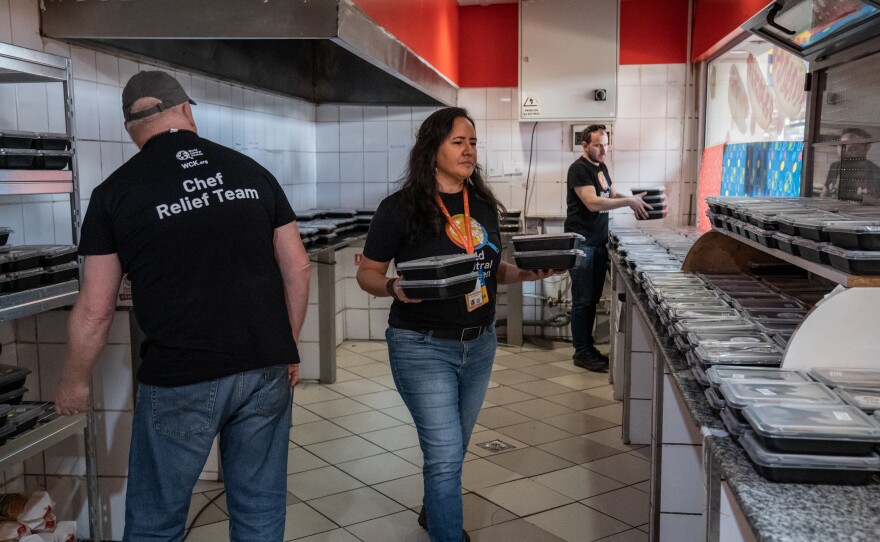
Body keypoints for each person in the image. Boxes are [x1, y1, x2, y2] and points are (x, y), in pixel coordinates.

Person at [53, 71, 310, 542]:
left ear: (131, 128)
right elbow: (297, 267)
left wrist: (74, 382)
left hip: (182, 375)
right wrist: (287, 344)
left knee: (157, 521)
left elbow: (96, 309)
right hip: (264, 365)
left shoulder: (114, 193)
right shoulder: (251, 171)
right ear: (187, 110)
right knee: (259, 507)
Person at [356, 107, 557, 542]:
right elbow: (366, 274)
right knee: (445, 454)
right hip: (420, 344)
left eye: (473, 143)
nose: (469, 151)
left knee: (455, 446)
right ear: (432, 150)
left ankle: (434, 509)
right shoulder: (400, 209)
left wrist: (525, 274)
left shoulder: (481, 203)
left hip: (479, 343)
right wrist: (392, 287)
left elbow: (490, 270)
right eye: (458, 142)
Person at [565, 124, 651, 372]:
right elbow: (592, 203)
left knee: (591, 299)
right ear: (585, 145)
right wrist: (627, 201)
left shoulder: (600, 167)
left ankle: (588, 348)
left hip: (598, 241)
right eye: (598, 145)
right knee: (582, 300)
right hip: (582, 243)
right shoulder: (578, 169)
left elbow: (611, 194)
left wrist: (633, 201)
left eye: (605, 144)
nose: (604, 150)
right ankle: (581, 352)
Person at [820, 127, 880, 203]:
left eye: (853, 147)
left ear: (867, 148)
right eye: (842, 145)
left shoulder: (875, 170)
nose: (845, 150)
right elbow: (824, 193)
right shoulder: (835, 166)